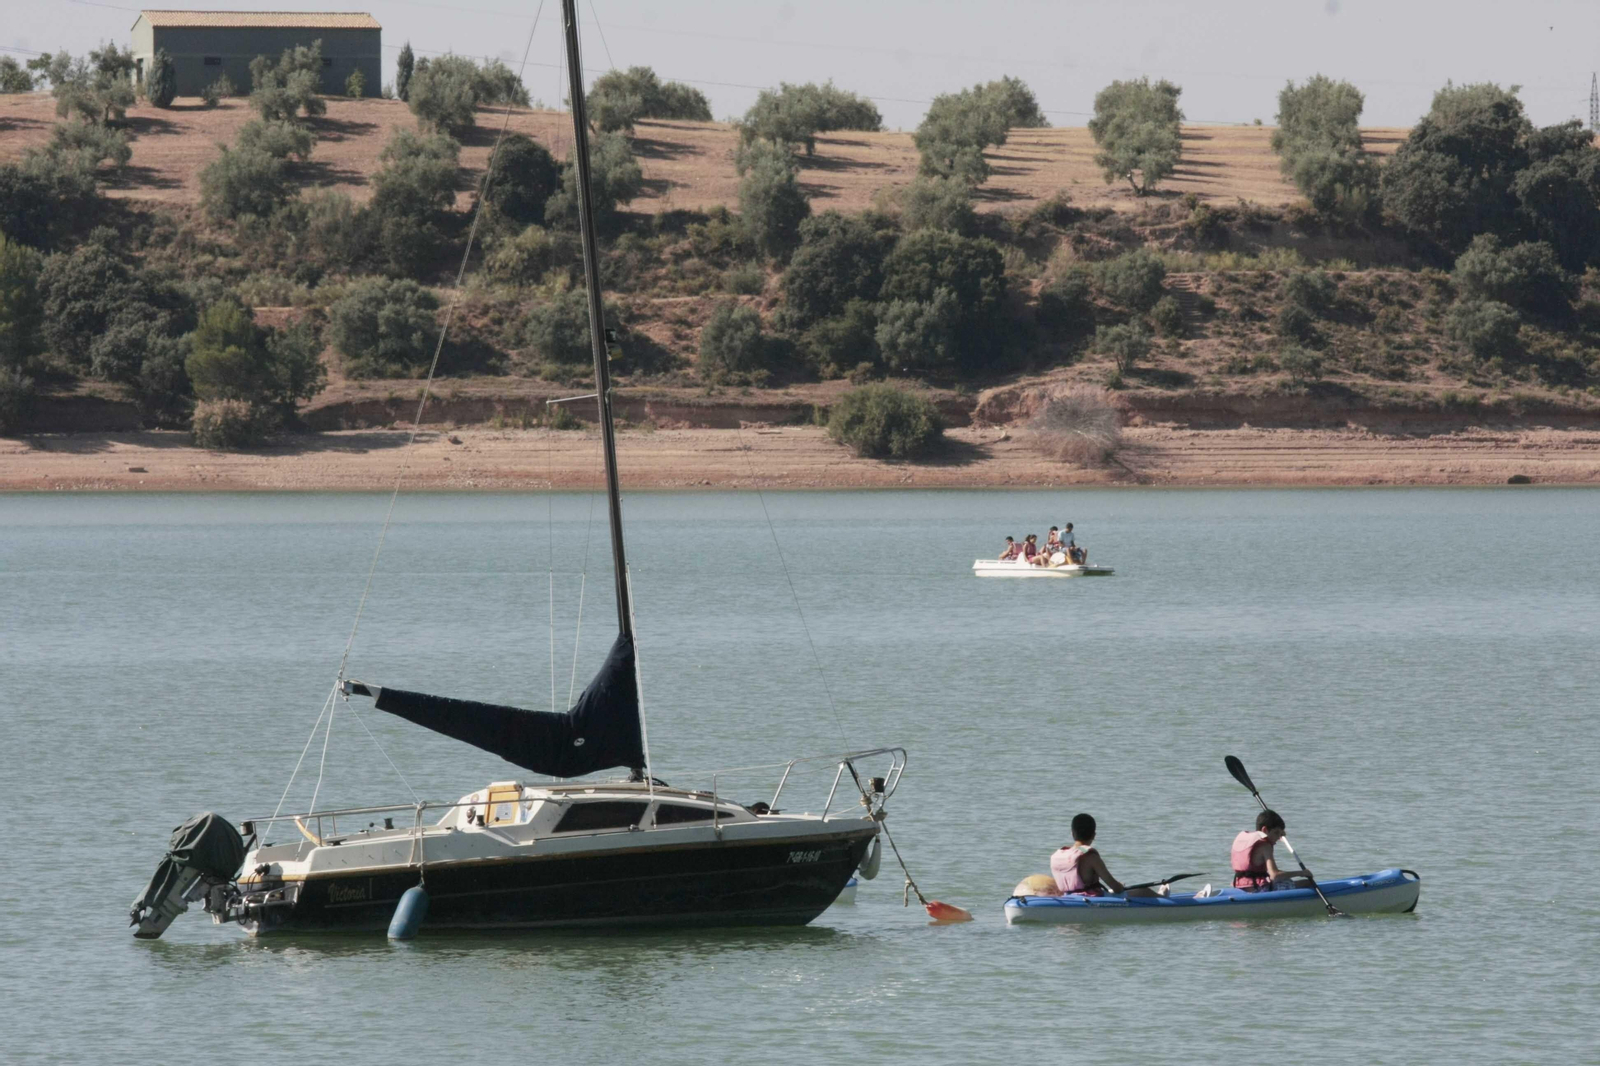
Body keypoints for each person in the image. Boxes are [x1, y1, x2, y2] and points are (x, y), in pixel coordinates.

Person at [1050, 813, 1155, 897]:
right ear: (1094, 835)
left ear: (1072, 834)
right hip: (1091, 899)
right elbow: (1116, 888)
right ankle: (1164, 898)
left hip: (1068, 897)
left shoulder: (1058, 855)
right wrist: (1119, 886)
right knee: (1144, 891)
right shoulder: (1090, 857)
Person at [1231, 809, 1312, 891]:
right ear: (1265, 830)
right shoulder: (1265, 846)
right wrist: (1301, 873)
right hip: (1258, 889)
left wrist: (1279, 832)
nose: (1278, 837)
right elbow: (1274, 875)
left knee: (1286, 879)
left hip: (1239, 886)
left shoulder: (1247, 841)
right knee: (1307, 883)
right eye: (1276, 833)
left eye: (1280, 834)